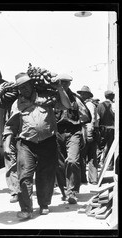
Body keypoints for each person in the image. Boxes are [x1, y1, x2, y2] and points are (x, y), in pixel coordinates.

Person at [3, 72, 71, 220]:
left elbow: (67, 105)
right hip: (26, 144)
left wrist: (60, 89)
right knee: (25, 176)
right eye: (21, 87)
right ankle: (26, 208)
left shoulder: (47, 97)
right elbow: (10, 126)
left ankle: (44, 204)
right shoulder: (17, 104)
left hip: (48, 142)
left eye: (26, 85)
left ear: (32, 85)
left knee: (46, 175)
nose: (24, 89)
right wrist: (7, 145)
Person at [54, 74, 91, 205]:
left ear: (69, 84)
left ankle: (73, 192)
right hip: (57, 132)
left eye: (66, 83)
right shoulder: (53, 98)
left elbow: (86, 116)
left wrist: (80, 125)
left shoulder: (76, 98)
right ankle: (64, 190)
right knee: (58, 164)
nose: (63, 85)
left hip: (73, 131)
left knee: (73, 160)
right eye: (61, 82)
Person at [77, 86, 99, 185]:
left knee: (85, 155)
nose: (81, 95)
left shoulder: (89, 105)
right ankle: (91, 178)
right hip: (89, 131)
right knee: (90, 155)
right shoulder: (90, 104)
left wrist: (89, 134)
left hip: (87, 131)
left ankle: (86, 178)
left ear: (86, 95)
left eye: (83, 93)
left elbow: (91, 120)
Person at [97, 90, 115, 170]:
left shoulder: (100, 105)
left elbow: (97, 118)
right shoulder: (114, 105)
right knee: (111, 147)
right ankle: (110, 165)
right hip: (112, 129)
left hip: (102, 129)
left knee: (100, 147)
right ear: (112, 96)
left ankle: (96, 163)